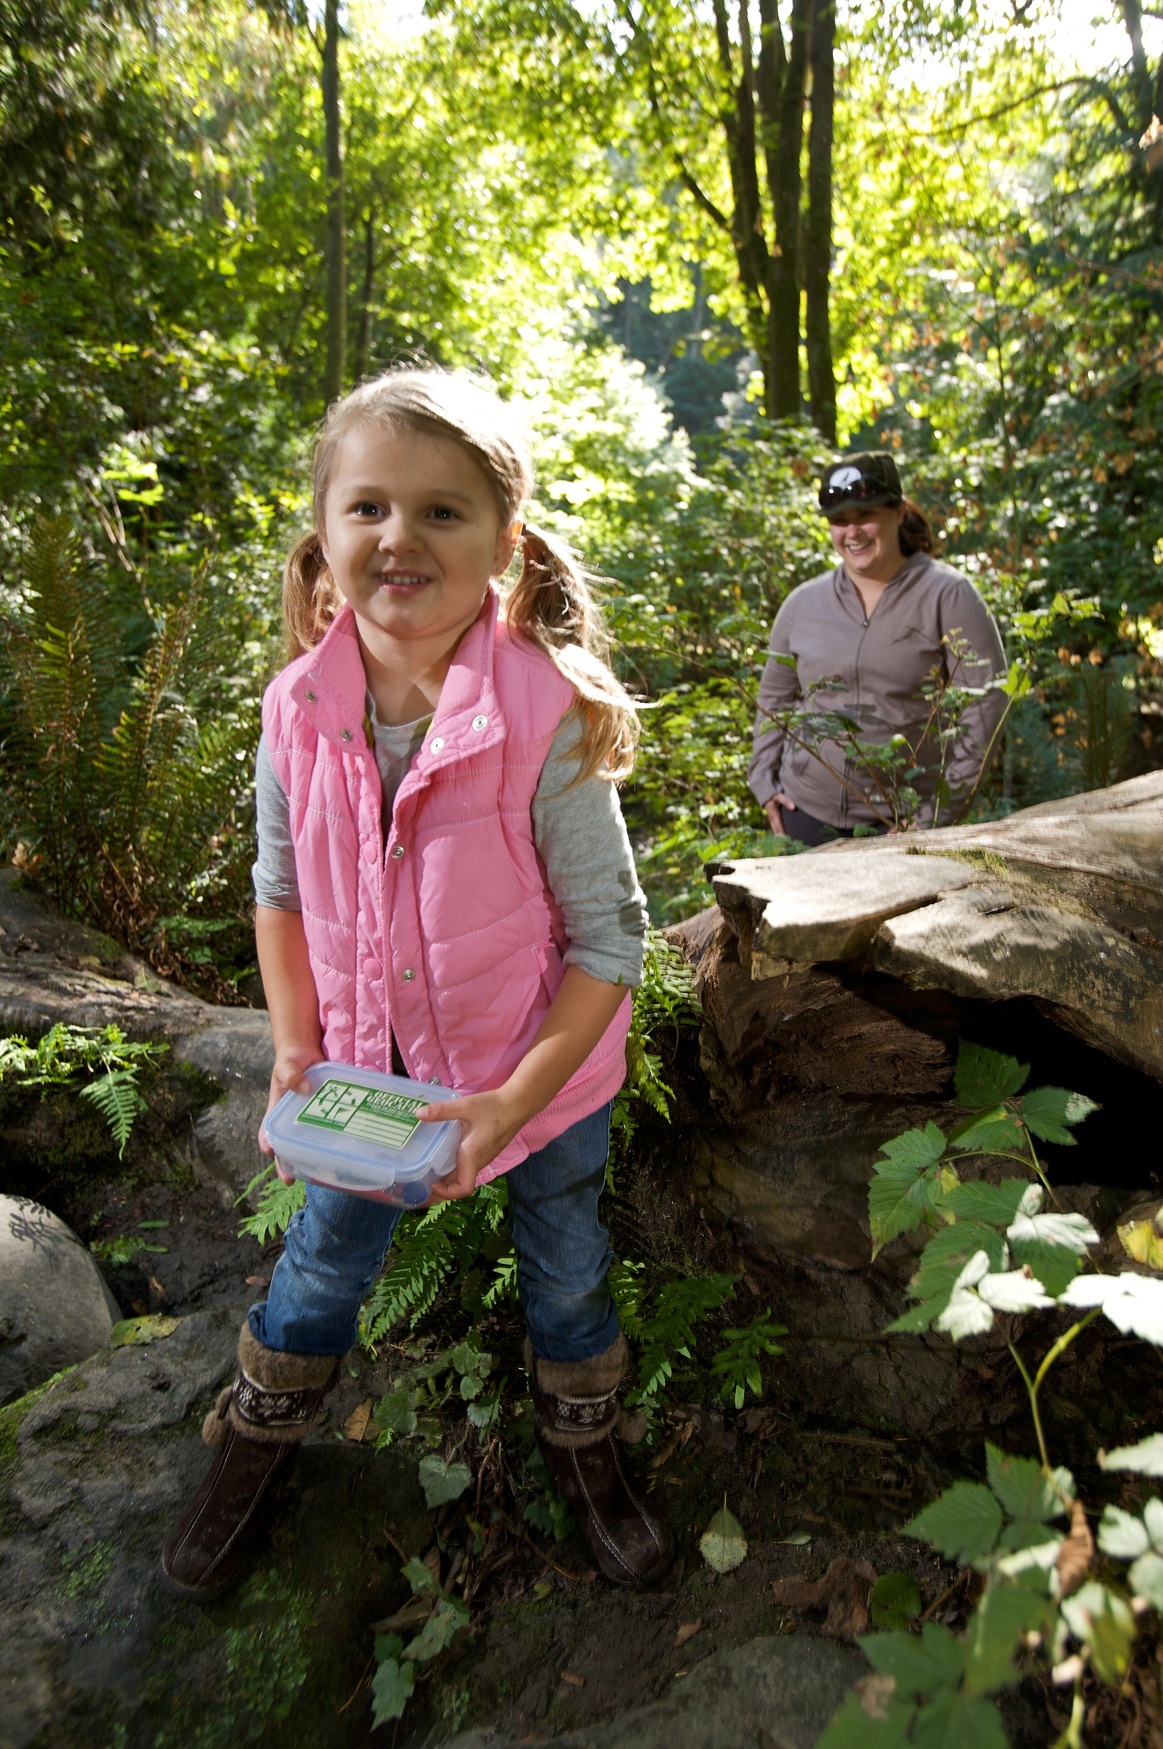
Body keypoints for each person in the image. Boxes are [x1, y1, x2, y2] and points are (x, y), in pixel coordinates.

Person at [161, 367, 672, 1601]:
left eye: (442, 512)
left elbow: (610, 943)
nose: (400, 537)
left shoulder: (544, 713)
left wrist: (506, 1104)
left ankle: (585, 1445)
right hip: (364, 1085)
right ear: (324, 533)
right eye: (369, 507)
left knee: (560, 1256)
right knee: (324, 1260)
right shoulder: (296, 712)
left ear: (504, 540)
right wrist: (295, 1048)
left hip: (536, 1084)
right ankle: (261, 1437)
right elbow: (277, 890)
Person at [748, 452, 1007, 845]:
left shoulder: (948, 596)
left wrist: (939, 810)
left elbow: (987, 704)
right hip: (804, 813)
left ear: (899, 512)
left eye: (865, 514)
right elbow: (774, 699)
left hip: (902, 822)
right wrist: (763, 780)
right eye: (840, 521)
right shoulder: (803, 604)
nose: (852, 532)